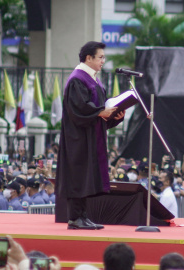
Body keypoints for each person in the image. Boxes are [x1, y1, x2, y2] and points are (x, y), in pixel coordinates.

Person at [56, 41, 125, 230]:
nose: (104, 61)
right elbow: (79, 110)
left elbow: (97, 113)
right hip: (77, 140)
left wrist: (114, 117)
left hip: (90, 137)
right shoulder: (78, 79)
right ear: (89, 58)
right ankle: (74, 218)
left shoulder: (93, 79)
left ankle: (83, 217)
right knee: (78, 177)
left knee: (85, 177)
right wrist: (100, 112)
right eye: (101, 57)